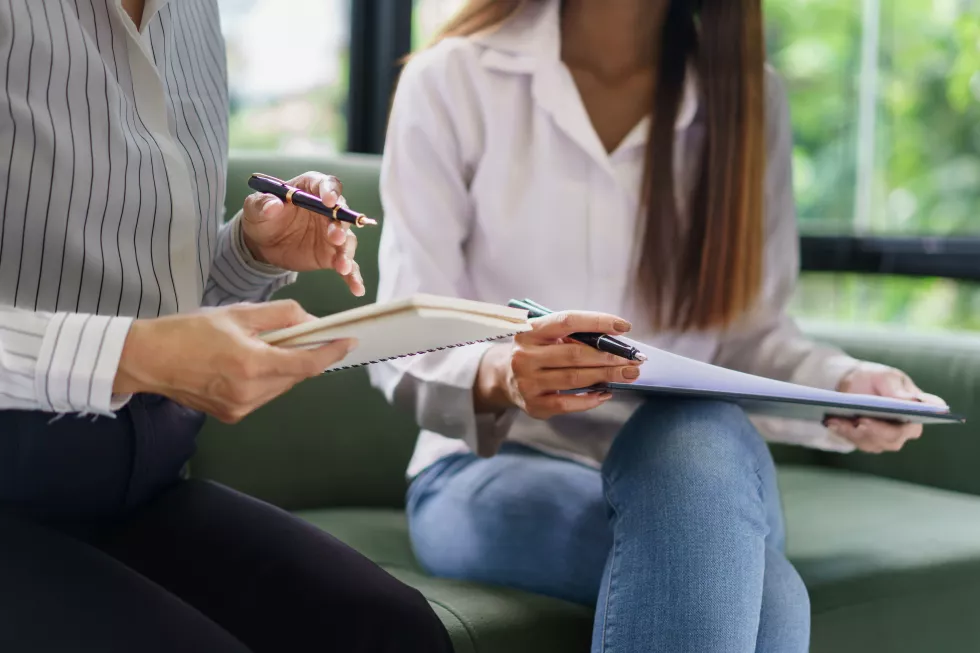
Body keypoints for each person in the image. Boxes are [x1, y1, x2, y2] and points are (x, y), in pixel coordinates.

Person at [369, 0, 948, 651]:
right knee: (767, 592)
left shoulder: (749, 99)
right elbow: (402, 336)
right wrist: (504, 373)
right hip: (492, 467)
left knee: (694, 433)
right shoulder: (452, 78)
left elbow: (753, 337)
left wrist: (844, 384)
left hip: (702, 461)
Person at [0, 1, 453, 651]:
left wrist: (249, 251)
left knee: (395, 632)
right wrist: (134, 354)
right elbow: (141, 341)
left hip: (139, 479)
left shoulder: (191, 14)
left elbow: (162, 300)